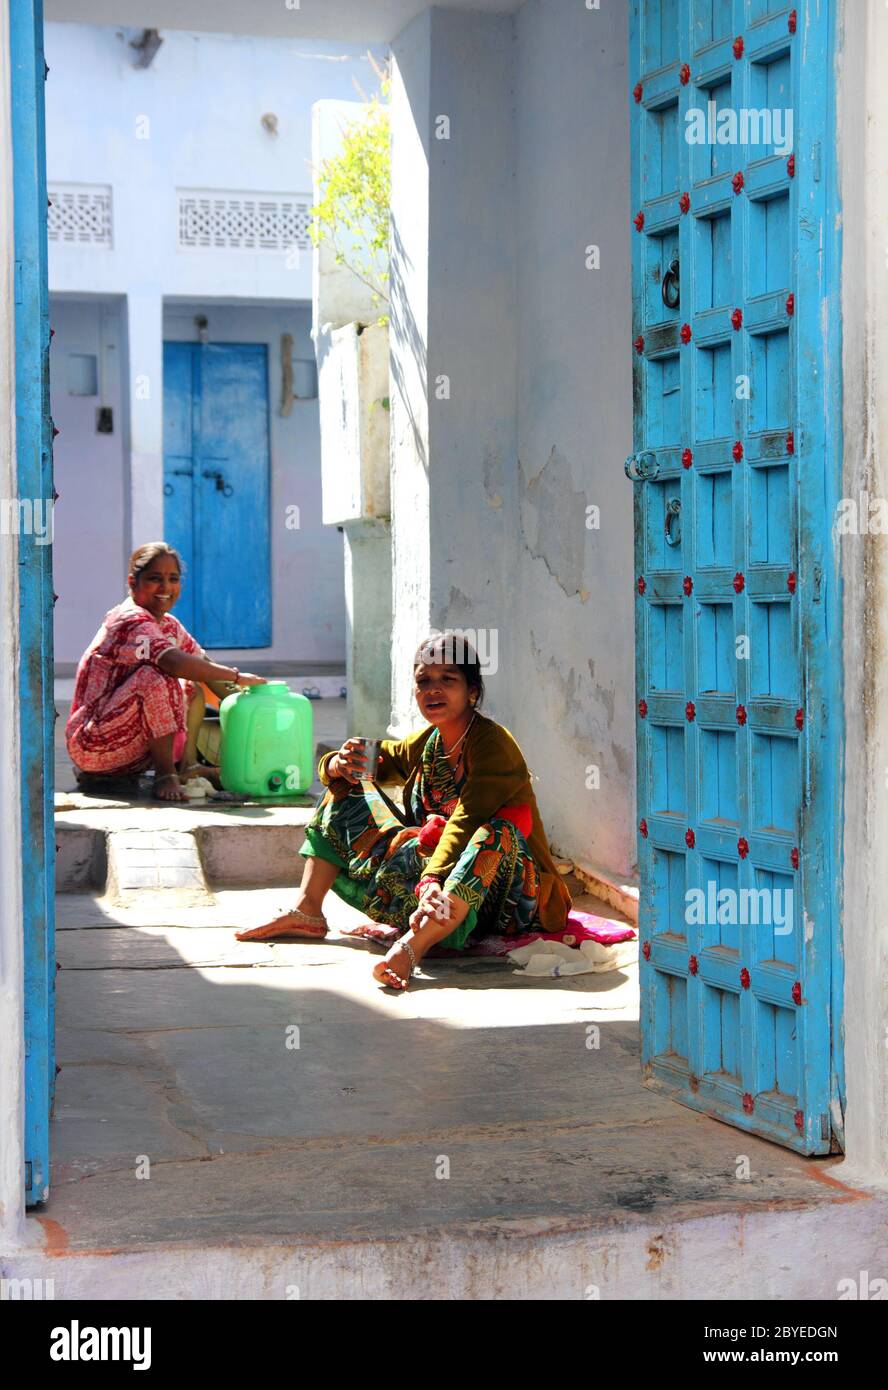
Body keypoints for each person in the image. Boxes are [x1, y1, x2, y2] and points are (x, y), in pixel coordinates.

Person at [236, 631, 572, 988]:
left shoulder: (493, 744)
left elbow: (467, 818)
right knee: (344, 790)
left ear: (472, 691)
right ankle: (307, 910)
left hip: (507, 896)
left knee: (493, 832)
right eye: (423, 681)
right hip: (435, 892)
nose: (433, 690)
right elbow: (375, 762)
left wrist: (431, 878)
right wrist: (337, 764)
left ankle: (413, 947)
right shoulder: (429, 743)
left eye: (448, 679)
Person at [66, 541, 265, 801]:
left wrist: (255, 706)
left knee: (191, 685)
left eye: (173, 579)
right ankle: (165, 775)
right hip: (93, 745)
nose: (166, 588)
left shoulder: (168, 625)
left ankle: (189, 766)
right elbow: (173, 662)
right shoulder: (129, 620)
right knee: (158, 676)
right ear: (132, 581)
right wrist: (236, 675)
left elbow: (203, 664)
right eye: (155, 579)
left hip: (126, 746)